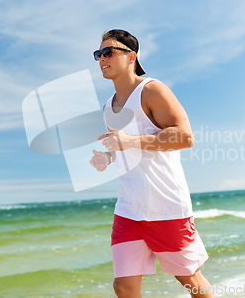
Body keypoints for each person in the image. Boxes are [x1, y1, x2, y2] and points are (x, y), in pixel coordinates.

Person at [89, 29, 214, 298]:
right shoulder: (107, 107)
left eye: (108, 52)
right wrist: (107, 158)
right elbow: (124, 145)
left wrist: (130, 141)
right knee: (123, 286)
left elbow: (184, 136)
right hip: (128, 208)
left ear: (131, 56)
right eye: (98, 54)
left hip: (165, 206)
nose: (102, 59)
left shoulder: (151, 90)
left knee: (189, 279)